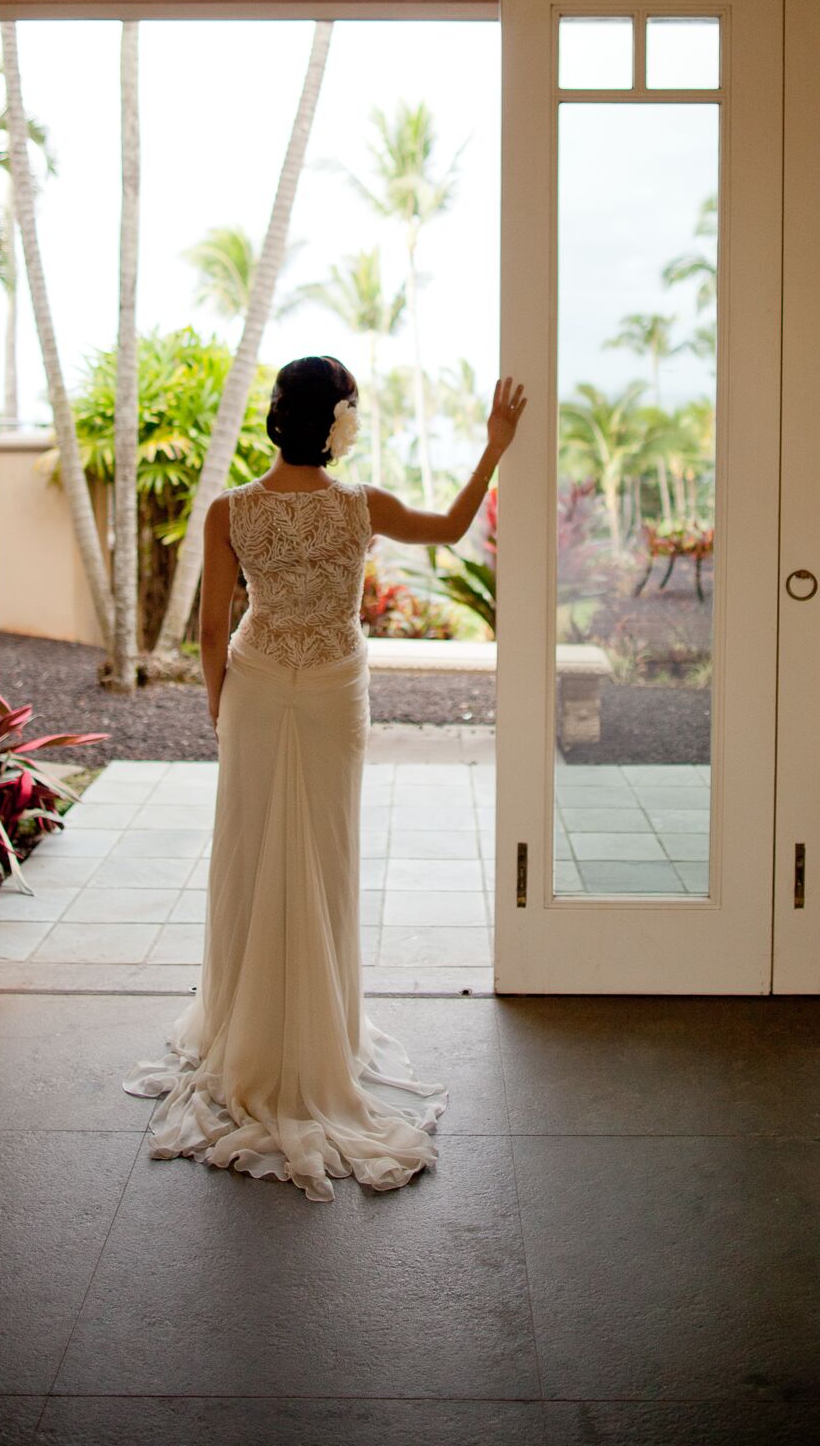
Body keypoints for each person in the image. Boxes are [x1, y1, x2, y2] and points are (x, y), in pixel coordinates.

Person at [123, 354, 527, 1202]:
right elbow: (452, 528)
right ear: (338, 421)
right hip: (335, 685)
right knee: (326, 856)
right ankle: (319, 1042)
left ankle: (251, 1033)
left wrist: (218, 706)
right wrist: (493, 446)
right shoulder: (362, 506)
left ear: (276, 415)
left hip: (258, 686)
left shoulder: (230, 511)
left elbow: (210, 628)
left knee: (251, 852)